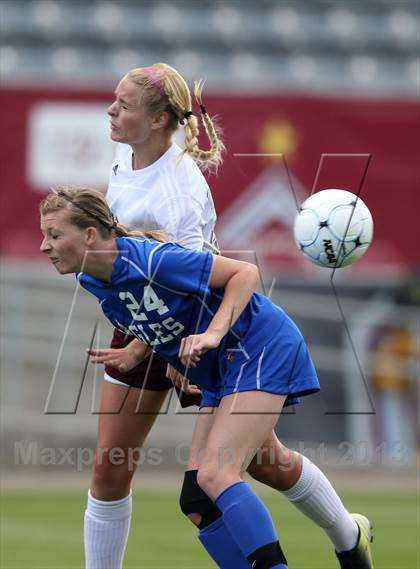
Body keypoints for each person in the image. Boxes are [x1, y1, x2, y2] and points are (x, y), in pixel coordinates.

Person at [40, 187, 374, 569]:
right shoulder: (93, 280)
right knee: (198, 499)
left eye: (54, 234)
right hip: (223, 368)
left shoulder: (152, 259)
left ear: (89, 235)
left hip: (258, 345)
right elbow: (153, 314)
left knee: (217, 474)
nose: (44, 246)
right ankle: (351, 541)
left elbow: (244, 273)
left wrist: (213, 334)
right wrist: (136, 351)